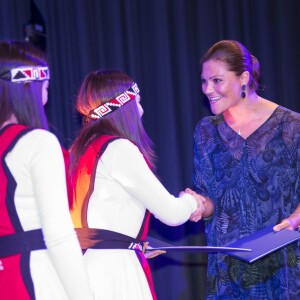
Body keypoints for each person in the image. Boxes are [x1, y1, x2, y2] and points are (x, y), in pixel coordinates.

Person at [68, 69, 213, 300]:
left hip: (80, 269)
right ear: (125, 107)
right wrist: (192, 200)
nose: (142, 110)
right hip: (114, 274)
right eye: (139, 101)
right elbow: (172, 213)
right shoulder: (119, 149)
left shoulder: (78, 151)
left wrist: (133, 243)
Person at [193, 39, 300, 299]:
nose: (208, 89)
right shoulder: (206, 131)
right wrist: (195, 204)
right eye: (204, 81)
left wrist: (294, 220)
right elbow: (209, 201)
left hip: (281, 265)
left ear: (243, 78)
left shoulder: (291, 125)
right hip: (227, 271)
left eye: (216, 80)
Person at [0, 40, 92, 300]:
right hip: (34, 278)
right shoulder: (38, 142)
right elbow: (59, 235)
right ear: (29, 86)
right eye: (46, 86)